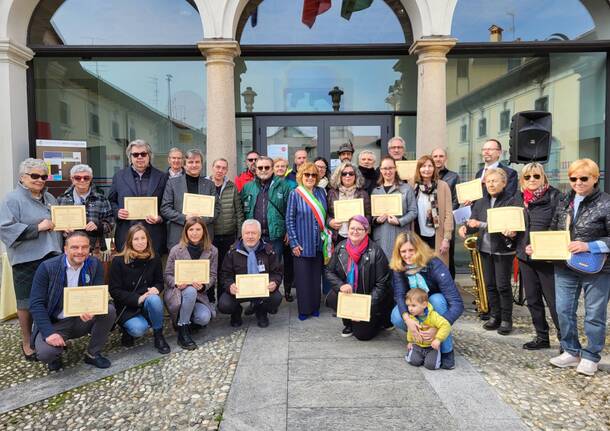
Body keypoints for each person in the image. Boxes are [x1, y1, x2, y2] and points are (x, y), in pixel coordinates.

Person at [545, 159, 610, 376]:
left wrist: (588, 246)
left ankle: (591, 355)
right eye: (574, 178)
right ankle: (571, 351)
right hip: (566, 265)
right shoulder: (564, 200)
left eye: (584, 178)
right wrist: (538, 247)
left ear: (595, 178)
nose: (578, 182)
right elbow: (554, 229)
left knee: (594, 313)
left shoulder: (606, 202)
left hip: (598, 267)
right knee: (563, 310)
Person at [0, 158, 62, 362]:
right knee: (26, 303)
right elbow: (5, 228)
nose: (39, 180)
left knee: (51, 299)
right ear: (22, 177)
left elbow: (56, 223)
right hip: (26, 259)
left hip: (52, 255)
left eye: (43, 176)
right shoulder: (12, 199)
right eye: (34, 176)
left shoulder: (51, 197)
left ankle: (48, 337)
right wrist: (38, 228)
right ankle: (27, 343)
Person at [29, 232, 116, 371]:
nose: (80, 252)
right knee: (46, 353)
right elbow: (36, 304)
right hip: (56, 322)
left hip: (81, 319)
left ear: (89, 249)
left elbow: (98, 294)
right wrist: (49, 333)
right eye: (75, 247)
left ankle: (93, 353)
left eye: (84, 247)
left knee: (109, 310)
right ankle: (56, 355)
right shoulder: (46, 267)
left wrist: (92, 310)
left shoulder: (94, 264)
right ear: (65, 249)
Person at [390, 232, 464, 370]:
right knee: (396, 316)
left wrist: (437, 328)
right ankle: (421, 341)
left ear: (418, 249)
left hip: (434, 307)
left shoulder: (434, 263)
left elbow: (457, 304)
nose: (407, 255)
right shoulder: (399, 266)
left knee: (437, 300)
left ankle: (446, 350)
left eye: (411, 250)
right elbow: (399, 295)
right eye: (403, 251)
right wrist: (408, 321)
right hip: (414, 306)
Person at [459, 168, 518, 335]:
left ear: (504, 183)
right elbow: (473, 223)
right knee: (490, 285)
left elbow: (504, 226)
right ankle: (495, 316)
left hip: (502, 250)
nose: (491, 184)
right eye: (488, 181)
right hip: (484, 249)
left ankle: (506, 319)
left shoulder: (511, 201)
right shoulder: (481, 202)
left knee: (503, 286)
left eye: (495, 181)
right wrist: (465, 229)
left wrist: (480, 224)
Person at [514, 163, 562, 350]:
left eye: (536, 176)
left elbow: (559, 224)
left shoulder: (554, 196)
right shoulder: (518, 198)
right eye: (527, 177)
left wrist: (541, 245)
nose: (532, 180)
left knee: (554, 301)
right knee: (532, 299)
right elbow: (516, 224)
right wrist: (510, 233)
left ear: (543, 177)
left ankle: (565, 340)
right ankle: (542, 337)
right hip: (525, 257)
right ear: (522, 180)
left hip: (547, 258)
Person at [325, 215, 392, 340]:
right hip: (350, 294)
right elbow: (329, 271)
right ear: (348, 229)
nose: (355, 231)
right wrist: (341, 285)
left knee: (363, 335)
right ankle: (348, 322)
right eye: (352, 228)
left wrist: (363, 307)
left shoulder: (376, 251)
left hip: (369, 298)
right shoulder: (341, 247)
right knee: (333, 297)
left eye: (359, 229)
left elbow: (382, 284)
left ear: (366, 231)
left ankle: (379, 320)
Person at [109, 224, 170, 354]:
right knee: (138, 330)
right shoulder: (118, 261)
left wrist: (156, 289)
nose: (140, 242)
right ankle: (126, 329)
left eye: (143, 238)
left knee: (155, 300)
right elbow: (114, 290)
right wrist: (137, 298)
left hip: (147, 302)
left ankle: (158, 335)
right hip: (127, 305)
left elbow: (159, 282)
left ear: (148, 240)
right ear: (130, 241)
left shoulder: (154, 258)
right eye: (136, 239)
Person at [164, 217, 218, 350]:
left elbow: (213, 276)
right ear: (186, 232)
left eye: (198, 229)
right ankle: (183, 331)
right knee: (190, 290)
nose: (195, 233)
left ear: (204, 231)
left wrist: (204, 286)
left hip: (199, 294)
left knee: (204, 318)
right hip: (179, 293)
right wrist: (176, 283)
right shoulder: (176, 250)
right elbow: (167, 275)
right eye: (191, 229)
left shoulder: (212, 250)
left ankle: (183, 319)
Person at [286, 162, 330, 320]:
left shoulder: (321, 192)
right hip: (302, 243)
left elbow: (325, 216)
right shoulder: (295, 194)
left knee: (315, 277)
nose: (310, 177)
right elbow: (289, 220)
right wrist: (294, 243)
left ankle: (315, 307)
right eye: (307, 174)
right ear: (301, 176)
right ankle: (304, 310)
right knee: (303, 279)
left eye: (313, 175)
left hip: (319, 242)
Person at [218, 219, 283, 328]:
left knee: (276, 298)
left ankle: (261, 310)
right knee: (224, 304)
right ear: (242, 235)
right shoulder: (232, 252)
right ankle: (236, 312)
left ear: (259, 235)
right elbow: (225, 274)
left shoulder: (269, 251)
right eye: (247, 233)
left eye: (254, 233)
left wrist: (274, 282)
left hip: (262, 289)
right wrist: (230, 286)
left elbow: (277, 272)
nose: (250, 236)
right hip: (239, 291)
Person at [108, 139, 167, 254]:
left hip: (153, 234)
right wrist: (117, 212)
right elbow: (111, 200)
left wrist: (160, 218)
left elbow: (168, 203)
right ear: (130, 157)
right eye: (135, 154)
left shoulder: (161, 177)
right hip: (126, 233)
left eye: (143, 154)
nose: (139, 157)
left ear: (149, 156)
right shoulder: (119, 176)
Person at [161, 149, 220, 251]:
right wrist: (185, 218)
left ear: (202, 164)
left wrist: (201, 220)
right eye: (190, 162)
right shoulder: (172, 183)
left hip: (204, 237)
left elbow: (217, 208)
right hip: (179, 236)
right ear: (184, 165)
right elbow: (165, 209)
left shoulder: (209, 184)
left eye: (197, 162)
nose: (194, 165)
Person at [206, 158, 244, 303]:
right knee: (210, 268)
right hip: (210, 235)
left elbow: (239, 212)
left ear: (227, 170)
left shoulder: (231, 187)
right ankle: (209, 298)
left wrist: (239, 236)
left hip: (228, 235)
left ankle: (223, 298)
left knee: (224, 268)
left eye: (223, 168)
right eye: (217, 167)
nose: (220, 170)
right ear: (212, 167)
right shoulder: (205, 185)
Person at [241, 156, 291, 259]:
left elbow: (290, 211)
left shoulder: (284, 186)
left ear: (272, 169)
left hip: (275, 236)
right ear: (256, 169)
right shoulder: (247, 187)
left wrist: (288, 231)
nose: (263, 170)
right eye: (260, 168)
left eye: (267, 167)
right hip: (253, 236)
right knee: (255, 269)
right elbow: (241, 211)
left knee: (274, 268)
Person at [57, 164, 114, 251]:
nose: (82, 180)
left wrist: (98, 226)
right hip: (70, 248)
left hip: (94, 247)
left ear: (90, 179)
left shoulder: (101, 199)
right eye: (78, 178)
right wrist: (63, 230)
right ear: (72, 179)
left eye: (86, 178)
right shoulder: (61, 199)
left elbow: (111, 223)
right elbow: (56, 225)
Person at [371, 156, 417, 259]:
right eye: (385, 168)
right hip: (381, 237)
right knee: (383, 269)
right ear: (381, 170)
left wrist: (400, 221)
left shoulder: (406, 189)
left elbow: (413, 211)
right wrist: (377, 220)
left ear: (395, 169)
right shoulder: (376, 191)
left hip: (400, 235)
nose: (388, 171)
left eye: (390, 168)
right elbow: (372, 216)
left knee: (399, 268)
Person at [411, 155, 453, 267]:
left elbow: (448, 214)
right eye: (423, 166)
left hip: (437, 236)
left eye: (430, 166)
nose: (427, 169)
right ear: (418, 169)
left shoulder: (443, 186)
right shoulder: (413, 187)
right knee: (420, 267)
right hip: (418, 235)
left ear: (434, 168)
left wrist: (446, 239)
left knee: (438, 269)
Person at [404, 288, 451, 370]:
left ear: (424, 305)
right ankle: (416, 356)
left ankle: (431, 357)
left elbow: (445, 325)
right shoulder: (412, 316)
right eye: (408, 305)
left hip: (431, 347)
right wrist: (410, 341)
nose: (410, 309)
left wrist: (438, 339)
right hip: (417, 345)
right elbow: (410, 330)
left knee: (431, 366)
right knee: (414, 362)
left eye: (413, 305)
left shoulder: (433, 316)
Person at [431, 148, 460, 278]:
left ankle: (449, 283)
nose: (438, 158)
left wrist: (444, 215)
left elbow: (455, 200)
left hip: (447, 221)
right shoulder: (425, 176)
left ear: (446, 158)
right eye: (435, 156)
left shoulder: (453, 176)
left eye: (441, 156)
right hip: (430, 223)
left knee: (447, 254)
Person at [326, 161, 371, 245]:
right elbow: (326, 213)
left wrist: (362, 224)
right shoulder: (332, 193)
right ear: (339, 176)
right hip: (338, 236)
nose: (347, 176)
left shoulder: (363, 193)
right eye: (344, 173)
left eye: (351, 173)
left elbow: (368, 215)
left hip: (357, 236)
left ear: (355, 176)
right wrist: (330, 221)